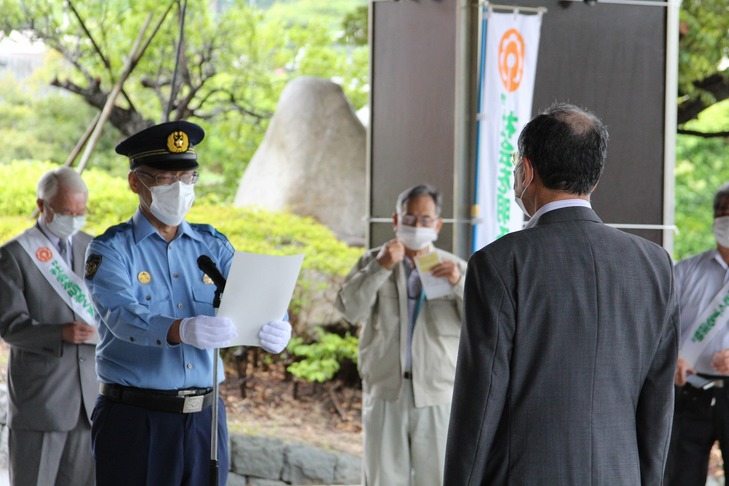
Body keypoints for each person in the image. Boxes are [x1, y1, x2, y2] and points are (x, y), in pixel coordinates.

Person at [443, 103, 679, 485]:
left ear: (527, 170)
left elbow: (480, 401)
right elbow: (658, 406)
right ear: (594, 178)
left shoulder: (499, 263)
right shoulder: (655, 266)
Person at [83, 120, 292, 486]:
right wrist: (180, 329)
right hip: (135, 418)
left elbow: (254, 293)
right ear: (136, 182)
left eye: (187, 179)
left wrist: (277, 322)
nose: (178, 189)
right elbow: (121, 315)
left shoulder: (212, 245)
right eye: (165, 180)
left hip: (204, 420)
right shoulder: (111, 249)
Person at [335, 183, 467, 486]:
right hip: (385, 391)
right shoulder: (373, 261)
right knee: (383, 478)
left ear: (437, 225)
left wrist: (459, 284)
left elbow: (484, 325)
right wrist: (380, 268)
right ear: (396, 221)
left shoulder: (455, 268)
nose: (417, 226)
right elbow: (348, 310)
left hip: (437, 395)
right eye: (409, 218)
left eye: (425, 220)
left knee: (438, 478)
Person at [0, 167, 97, 486]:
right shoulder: (14, 255)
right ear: (43, 206)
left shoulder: (94, 247)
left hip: (89, 395)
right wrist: (60, 333)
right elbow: (10, 326)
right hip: (41, 399)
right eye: (67, 212)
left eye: (81, 212)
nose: (75, 218)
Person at [664, 183, 729, 485]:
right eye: (722, 212)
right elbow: (659, 327)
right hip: (690, 394)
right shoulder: (685, 272)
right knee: (680, 477)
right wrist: (670, 357)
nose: (726, 218)